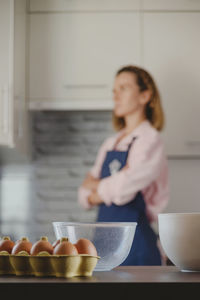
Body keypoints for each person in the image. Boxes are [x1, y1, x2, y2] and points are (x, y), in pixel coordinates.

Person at [78, 65, 169, 266]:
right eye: (114, 90)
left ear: (145, 96)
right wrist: (104, 187)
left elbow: (123, 191)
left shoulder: (150, 139)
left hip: (137, 246)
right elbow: (83, 195)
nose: (115, 95)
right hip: (102, 245)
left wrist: (97, 187)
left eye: (124, 88)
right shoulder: (111, 143)